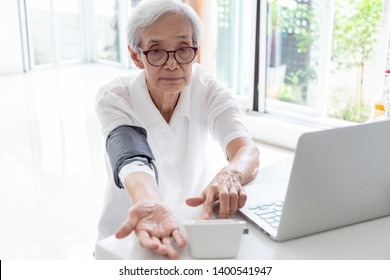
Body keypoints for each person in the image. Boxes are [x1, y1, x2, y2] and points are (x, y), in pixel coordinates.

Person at [95, 0, 260, 260]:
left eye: (183, 49)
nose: (172, 65)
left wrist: (232, 173)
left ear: (195, 51)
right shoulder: (116, 96)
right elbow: (132, 159)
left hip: (191, 228)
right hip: (131, 234)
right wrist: (150, 202)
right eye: (157, 51)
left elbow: (245, 149)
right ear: (137, 56)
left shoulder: (206, 87)